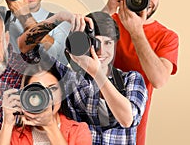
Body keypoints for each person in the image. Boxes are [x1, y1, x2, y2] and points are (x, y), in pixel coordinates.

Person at [17, 11, 148, 144]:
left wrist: (97, 73)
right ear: (85, 42)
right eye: (96, 42)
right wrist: (59, 18)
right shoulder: (69, 79)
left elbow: (127, 120)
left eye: (108, 43)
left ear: (115, 44)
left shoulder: (131, 79)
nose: (101, 51)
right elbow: (25, 47)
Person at [102, 0, 179, 144]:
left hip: (131, 132)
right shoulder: (109, 21)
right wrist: (107, 9)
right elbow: (77, 50)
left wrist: (136, 31)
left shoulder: (167, 37)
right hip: (92, 125)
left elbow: (159, 80)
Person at [0, 62, 92, 145]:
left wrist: (50, 125)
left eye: (52, 89)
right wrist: (7, 124)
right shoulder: (16, 135)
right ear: (25, 97)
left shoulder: (79, 131)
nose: (47, 98)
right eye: (38, 92)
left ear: (62, 93)